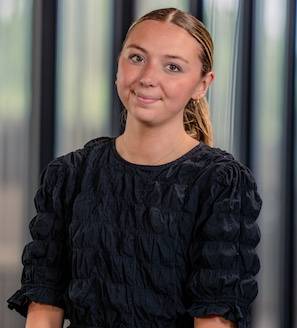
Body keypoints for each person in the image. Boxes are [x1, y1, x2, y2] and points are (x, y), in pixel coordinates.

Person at [7, 7, 262, 328]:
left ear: (202, 84)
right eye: (137, 58)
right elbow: (44, 309)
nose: (148, 78)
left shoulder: (220, 183)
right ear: (119, 65)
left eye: (172, 67)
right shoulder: (70, 174)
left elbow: (213, 320)